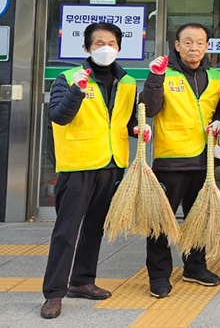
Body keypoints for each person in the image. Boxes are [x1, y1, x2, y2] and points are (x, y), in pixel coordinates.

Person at [41, 23, 148, 319]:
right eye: (98, 42)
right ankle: (53, 293)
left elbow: (123, 122)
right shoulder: (67, 78)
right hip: (78, 165)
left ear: (119, 47)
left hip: (112, 166)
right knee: (66, 232)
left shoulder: (127, 82)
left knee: (94, 228)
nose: (105, 47)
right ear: (86, 48)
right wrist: (77, 90)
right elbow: (58, 117)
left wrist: (138, 130)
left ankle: (82, 281)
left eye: (111, 42)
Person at [141, 23, 220, 298]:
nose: (194, 47)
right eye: (188, 42)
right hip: (171, 160)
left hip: (204, 161)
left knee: (198, 218)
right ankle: (159, 275)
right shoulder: (163, 74)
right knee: (161, 222)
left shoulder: (217, 78)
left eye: (200, 43)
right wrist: (154, 78)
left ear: (207, 47)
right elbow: (150, 108)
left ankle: (195, 267)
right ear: (176, 45)